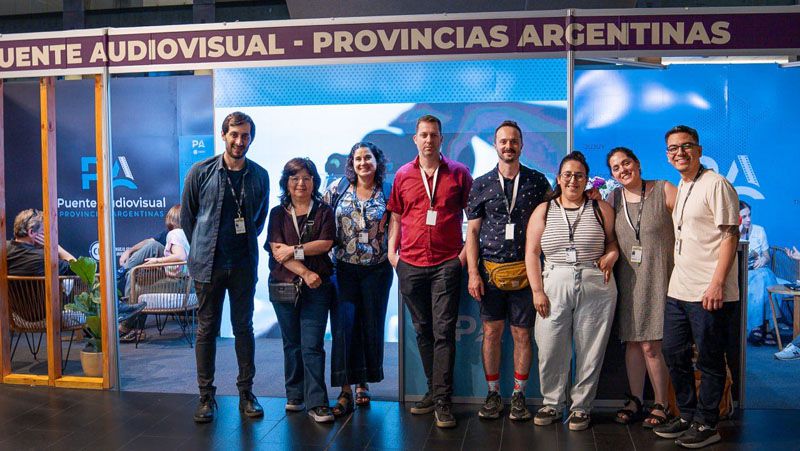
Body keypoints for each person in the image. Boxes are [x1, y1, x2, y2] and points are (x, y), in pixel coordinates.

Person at [653, 125, 739, 449]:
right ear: (667, 154)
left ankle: (707, 423)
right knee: (672, 352)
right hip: (680, 289)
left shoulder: (716, 184)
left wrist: (717, 284)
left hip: (709, 292)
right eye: (673, 148)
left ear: (699, 150)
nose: (680, 153)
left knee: (710, 359)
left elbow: (730, 235)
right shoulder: (683, 184)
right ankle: (687, 414)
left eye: (686, 146)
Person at [181, 111, 270, 423]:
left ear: (250, 138)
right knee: (206, 330)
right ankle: (206, 397)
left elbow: (257, 222)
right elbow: (188, 219)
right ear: (223, 135)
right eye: (234, 134)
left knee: (244, 328)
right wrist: (204, 247)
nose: (239, 141)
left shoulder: (259, 175)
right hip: (208, 266)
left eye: (245, 136)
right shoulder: (200, 171)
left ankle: (246, 393)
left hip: (243, 264)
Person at [387, 114, 473, 428]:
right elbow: (396, 215)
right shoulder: (403, 175)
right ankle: (431, 391)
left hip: (446, 263)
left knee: (443, 333)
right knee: (422, 331)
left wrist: (462, 258)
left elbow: (472, 219)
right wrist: (392, 253)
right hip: (410, 263)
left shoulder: (459, 173)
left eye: (433, 135)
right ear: (415, 139)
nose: (428, 140)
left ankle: (442, 401)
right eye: (423, 135)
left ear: (441, 138)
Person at [525, 151, 618, 431]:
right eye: (568, 175)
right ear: (559, 178)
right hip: (554, 280)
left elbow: (613, 243)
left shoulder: (601, 209)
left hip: (595, 281)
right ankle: (552, 403)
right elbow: (531, 252)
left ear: (587, 179)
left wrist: (612, 255)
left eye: (579, 175)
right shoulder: (544, 209)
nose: (573, 180)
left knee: (590, 349)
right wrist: (537, 291)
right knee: (551, 346)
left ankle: (581, 408)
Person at [465, 120, 551, 421]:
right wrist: (473, 274)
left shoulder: (539, 182)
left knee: (522, 336)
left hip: (527, 274)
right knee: (491, 333)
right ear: (495, 144)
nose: (508, 146)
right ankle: (492, 395)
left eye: (514, 141)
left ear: (521, 145)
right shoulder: (481, 184)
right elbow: (472, 234)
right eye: (503, 141)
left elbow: (557, 215)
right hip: (490, 274)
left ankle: (518, 395)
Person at [606, 147, 677, 428]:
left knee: (651, 345)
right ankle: (636, 400)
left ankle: (662, 403)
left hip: (661, 278)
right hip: (629, 281)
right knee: (633, 342)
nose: (623, 169)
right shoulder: (613, 198)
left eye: (626, 163)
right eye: (615, 167)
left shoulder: (663, 189)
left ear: (637, 163)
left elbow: (690, 219)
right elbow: (608, 237)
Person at [324, 142, 393, 417]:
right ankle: (344, 390)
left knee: (370, 326)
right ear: (351, 163)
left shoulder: (388, 192)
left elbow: (397, 226)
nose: (363, 163)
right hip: (343, 270)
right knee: (343, 328)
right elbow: (321, 221)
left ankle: (363, 382)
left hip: (377, 270)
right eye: (358, 159)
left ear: (377, 162)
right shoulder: (336, 189)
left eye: (368, 158)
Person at [267, 158, 337, 423]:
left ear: (314, 182)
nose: (301, 183)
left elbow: (325, 243)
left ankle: (317, 402)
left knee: (313, 344)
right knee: (292, 343)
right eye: (295, 178)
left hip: (318, 288)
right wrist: (306, 272)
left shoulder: (324, 211)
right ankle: (294, 395)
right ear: (287, 182)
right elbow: (277, 251)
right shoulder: (277, 213)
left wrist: (295, 250)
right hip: (285, 285)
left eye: (306, 178)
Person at [119, 204, 190, 343]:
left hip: (180, 282)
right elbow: (150, 242)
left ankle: (127, 327)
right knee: (137, 273)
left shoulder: (174, 234)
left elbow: (181, 256)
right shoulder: (186, 233)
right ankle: (134, 329)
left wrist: (157, 260)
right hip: (186, 281)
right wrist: (129, 251)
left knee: (135, 286)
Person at [739, 200, 779, 346]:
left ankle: (760, 327)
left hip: (760, 270)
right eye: (743, 217)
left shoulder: (759, 230)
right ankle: (766, 327)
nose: (748, 219)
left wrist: (763, 259)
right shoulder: (733, 233)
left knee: (765, 276)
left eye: (749, 215)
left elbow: (767, 256)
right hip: (744, 273)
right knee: (763, 279)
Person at [7, 208, 76, 276]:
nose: (48, 234)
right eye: (44, 230)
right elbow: (78, 270)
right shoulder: (44, 258)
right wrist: (57, 248)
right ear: (31, 232)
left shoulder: (3, 249)